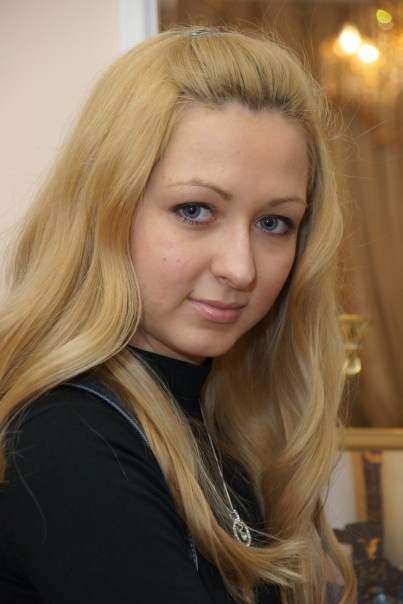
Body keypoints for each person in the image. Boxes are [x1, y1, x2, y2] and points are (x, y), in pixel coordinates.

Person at [0, 26, 356, 603]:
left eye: (274, 223)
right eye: (195, 210)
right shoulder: (68, 441)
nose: (241, 268)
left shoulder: (222, 427)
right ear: (106, 207)